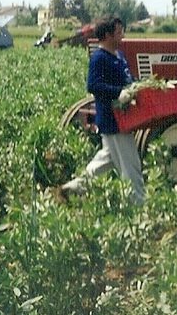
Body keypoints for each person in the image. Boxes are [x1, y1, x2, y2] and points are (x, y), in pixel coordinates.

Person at [61, 16, 145, 206]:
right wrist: (118, 93)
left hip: (121, 118)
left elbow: (126, 79)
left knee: (106, 160)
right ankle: (138, 205)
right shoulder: (99, 58)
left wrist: (136, 86)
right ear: (107, 35)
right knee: (132, 168)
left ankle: (76, 186)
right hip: (113, 120)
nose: (122, 35)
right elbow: (93, 85)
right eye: (119, 32)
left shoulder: (119, 55)